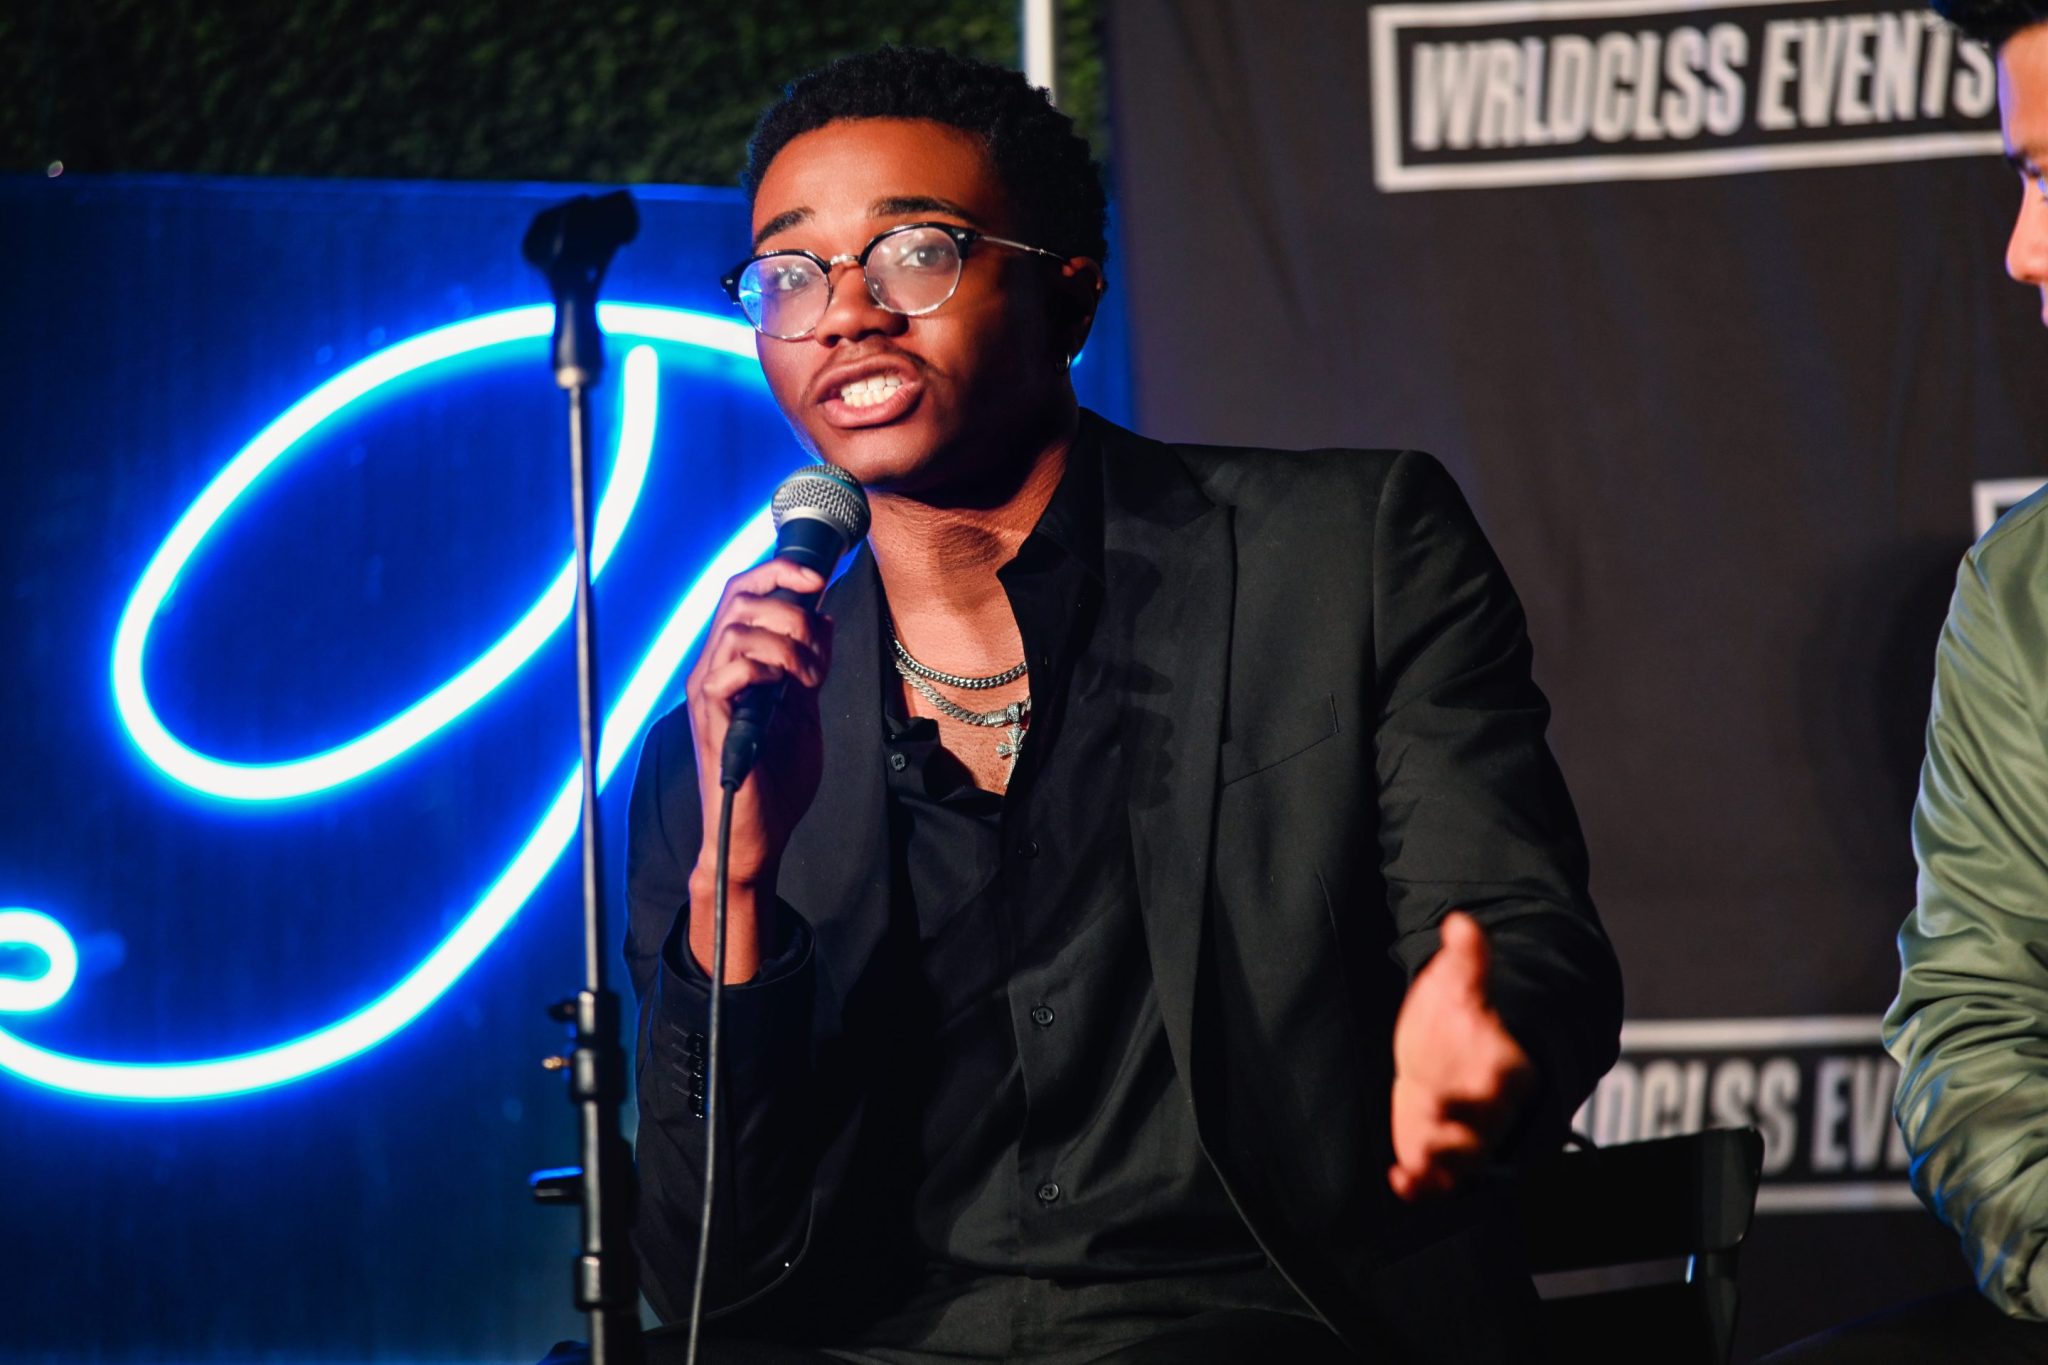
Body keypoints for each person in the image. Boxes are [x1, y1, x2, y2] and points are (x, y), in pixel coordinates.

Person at [620, 45, 1620, 1365]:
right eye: (791, 273)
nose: (847, 312)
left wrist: (1490, 1045)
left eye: (915, 252)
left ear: (1069, 292)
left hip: (1270, 1323)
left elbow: (1518, 937)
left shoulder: (1345, 556)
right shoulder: (725, 742)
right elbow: (703, 1265)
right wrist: (734, 885)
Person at [1761, 2, 2048, 1359]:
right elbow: (1975, 1018)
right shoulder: (2025, 590)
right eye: (2023, 180)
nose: (2023, 248)